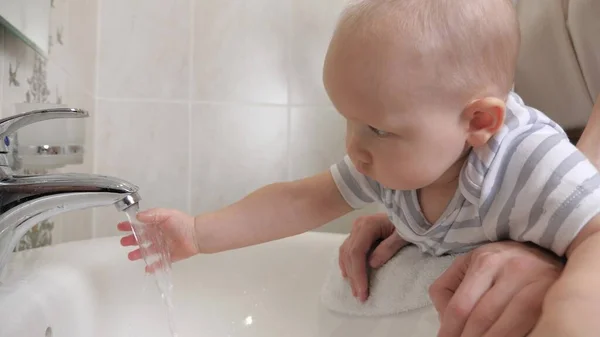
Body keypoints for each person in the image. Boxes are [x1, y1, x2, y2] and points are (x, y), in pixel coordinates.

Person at [119, 0, 600, 335]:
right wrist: (200, 233)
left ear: (477, 121)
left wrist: (569, 313)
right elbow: (302, 199)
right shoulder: (386, 161)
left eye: (378, 128)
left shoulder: (528, 164)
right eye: (350, 121)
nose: (355, 146)